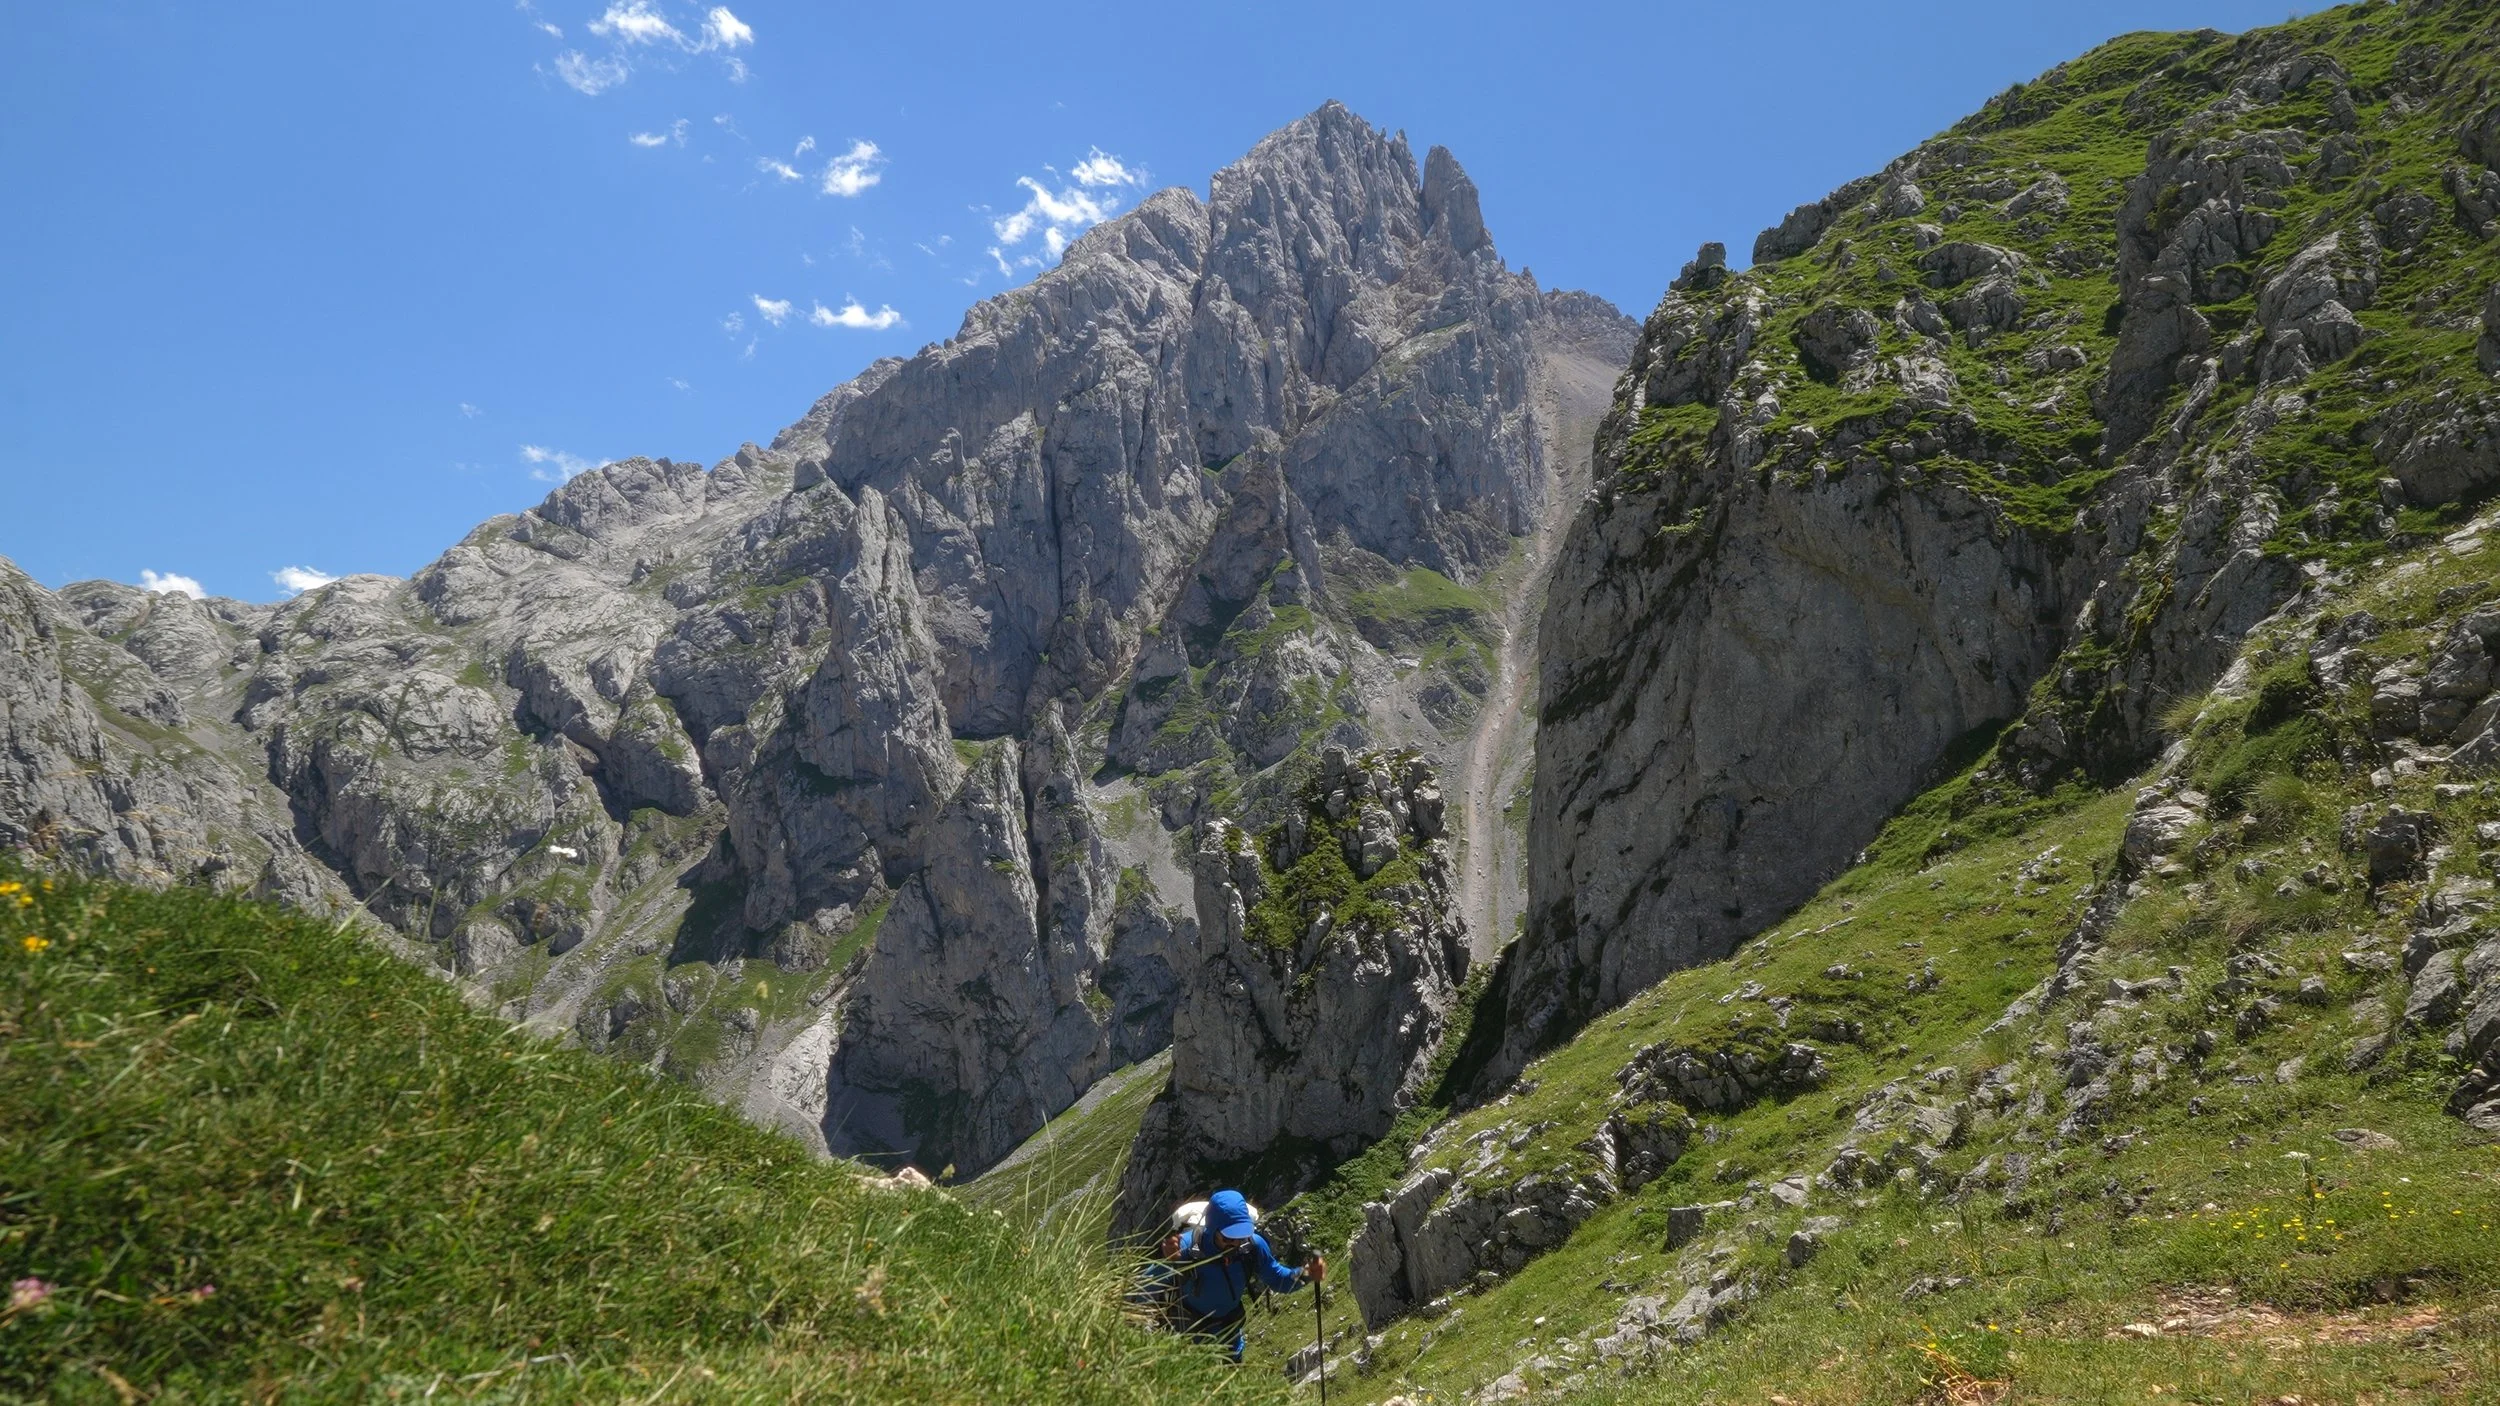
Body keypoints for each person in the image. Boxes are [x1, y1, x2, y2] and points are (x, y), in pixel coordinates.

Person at [1161, 1189, 1323, 1362]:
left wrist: (1306, 1274)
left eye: (1240, 1235)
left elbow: (1278, 1279)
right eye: (1229, 1238)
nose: (1236, 1243)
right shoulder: (1186, 1247)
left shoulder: (1252, 1247)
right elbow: (1149, 1284)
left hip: (1229, 1339)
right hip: (1187, 1341)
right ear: (1213, 1228)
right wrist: (1168, 1260)